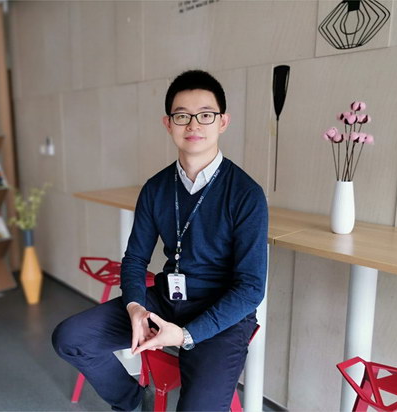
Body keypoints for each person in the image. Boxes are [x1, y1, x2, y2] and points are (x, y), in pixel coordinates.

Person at [52, 69, 268, 411]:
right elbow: (135, 259)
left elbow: (251, 288)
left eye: (205, 115)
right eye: (182, 116)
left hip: (222, 314)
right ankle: (133, 400)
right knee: (71, 338)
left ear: (223, 122)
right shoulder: (156, 188)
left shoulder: (246, 193)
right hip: (168, 300)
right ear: (168, 124)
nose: (193, 125)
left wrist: (185, 335)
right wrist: (135, 307)